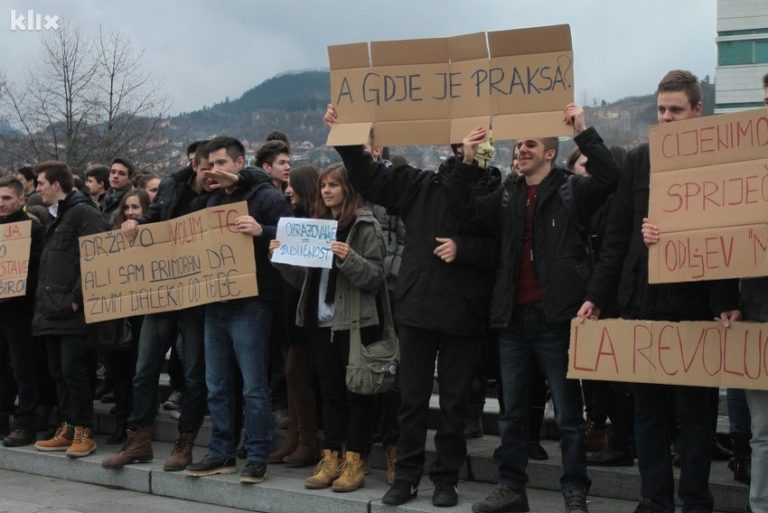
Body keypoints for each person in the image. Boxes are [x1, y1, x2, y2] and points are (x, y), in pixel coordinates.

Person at [578, 70, 741, 513]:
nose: (667, 117)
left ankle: (695, 501)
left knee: (696, 416)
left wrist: (725, 300)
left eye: (676, 110)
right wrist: (596, 294)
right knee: (647, 414)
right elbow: (616, 236)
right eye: (662, 109)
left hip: (694, 306)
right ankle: (653, 502)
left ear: (697, 111)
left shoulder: (719, 162)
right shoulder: (639, 160)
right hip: (641, 303)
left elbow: (731, 239)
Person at [446, 104, 619, 513]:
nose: (520, 150)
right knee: (512, 416)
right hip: (511, 319)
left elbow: (611, 176)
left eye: (530, 144)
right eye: (518, 144)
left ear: (550, 153)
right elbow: (462, 210)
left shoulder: (569, 189)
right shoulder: (506, 193)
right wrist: (467, 161)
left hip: (556, 317)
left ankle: (574, 491)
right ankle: (511, 488)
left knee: (569, 415)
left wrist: (583, 130)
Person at [324, 105, 496, 508]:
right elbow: (369, 176)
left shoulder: (492, 189)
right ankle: (406, 476)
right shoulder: (420, 184)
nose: (461, 152)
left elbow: (493, 247)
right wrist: (347, 138)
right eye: (456, 146)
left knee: (453, 405)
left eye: (469, 147)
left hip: (462, 313)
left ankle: (446, 479)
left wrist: (465, 248)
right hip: (417, 308)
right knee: (412, 400)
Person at [271, 163, 386, 492]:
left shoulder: (365, 226)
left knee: (356, 396)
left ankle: (355, 461)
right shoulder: (318, 226)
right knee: (331, 394)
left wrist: (349, 258)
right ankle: (330, 457)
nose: (326, 191)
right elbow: (305, 278)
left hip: (353, 324)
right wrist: (282, 259)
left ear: (347, 188)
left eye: (333, 185)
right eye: (323, 185)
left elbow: (375, 277)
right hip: (320, 323)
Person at [184, 136, 291, 484]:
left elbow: (294, 237)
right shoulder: (211, 201)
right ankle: (220, 452)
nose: (215, 171)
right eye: (210, 165)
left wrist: (263, 231)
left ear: (240, 163)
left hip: (252, 304)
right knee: (217, 384)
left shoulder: (267, 197)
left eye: (221, 164)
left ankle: (257, 454)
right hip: (216, 304)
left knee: (254, 386)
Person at [32, 161, 109, 458]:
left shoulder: (84, 213)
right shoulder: (57, 217)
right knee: (58, 372)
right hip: (51, 311)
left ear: (56, 184)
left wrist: (77, 298)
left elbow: (96, 256)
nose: (37, 189)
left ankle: (83, 431)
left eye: (41, 183)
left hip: (72, 312)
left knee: (72, 371)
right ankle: (67, 426)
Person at [268, 164, 320, 468]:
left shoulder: (314, 223)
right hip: (287, 310)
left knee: (296, 374)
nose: (288, 191)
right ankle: (295, 439)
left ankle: (307, 441)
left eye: (293, 186)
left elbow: (306, 276)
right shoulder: (293, 220)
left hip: (305, 314)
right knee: (291, 376)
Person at [0, 176, 44, 447]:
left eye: (6, 198)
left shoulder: (33, 230)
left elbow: (38, 271)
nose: (1, 203)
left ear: (21, 200)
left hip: (20, 311)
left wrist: (12, 291)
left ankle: (26, 423)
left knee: (22, 367)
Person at [99, 158, 135, 224]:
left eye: (121, 173)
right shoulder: (102, 199)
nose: (115, 176)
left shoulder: (132, 200)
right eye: (113, 172)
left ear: (129, 179)